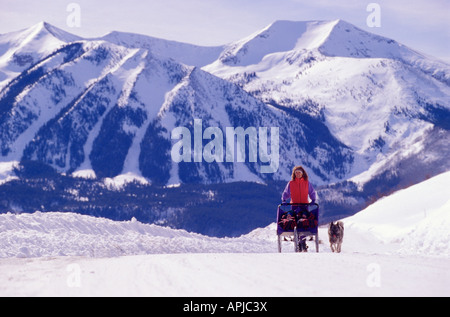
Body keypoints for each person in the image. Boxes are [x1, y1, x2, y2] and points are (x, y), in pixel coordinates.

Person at [281, 165, 317, 252]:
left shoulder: (306, 183)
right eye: (296, 173)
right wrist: (284, 199)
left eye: (299, 172)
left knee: (303, 221)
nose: (298, 174)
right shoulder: (291, 183)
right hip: (295, 205)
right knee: (296, 221)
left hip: (304, 206)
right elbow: (286, 193)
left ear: (302, 173)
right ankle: (299, 241)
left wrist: (313, 199)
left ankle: (302, 241)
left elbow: (311, 192)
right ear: (294, 174)